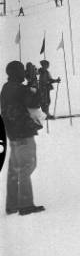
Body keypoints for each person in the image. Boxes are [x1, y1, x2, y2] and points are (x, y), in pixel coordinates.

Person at [1, 61, 45, 215]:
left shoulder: (6, 88)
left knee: (14, 169)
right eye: (22, 72)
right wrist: (33, 82)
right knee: (27, 166)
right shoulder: (19, 89)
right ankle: (25, 205)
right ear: (17, 73)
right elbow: (35, 101)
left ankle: (12, 205)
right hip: (23, 134)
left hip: (12, 134)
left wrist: (30, 84)